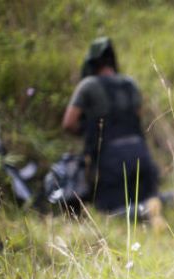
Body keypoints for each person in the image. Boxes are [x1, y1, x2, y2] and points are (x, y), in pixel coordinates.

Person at [62, 36, 164, 229]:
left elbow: (68, 123)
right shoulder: (130, 84)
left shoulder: (88, 85)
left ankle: (146, 211)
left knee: (108, 212)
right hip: (140, 152)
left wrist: (88, 132)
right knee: (147, 195)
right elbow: (138, 116)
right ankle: (172, 198)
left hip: (111, 159)